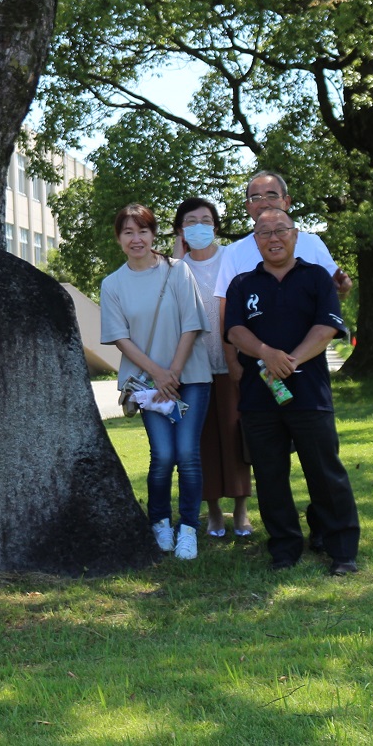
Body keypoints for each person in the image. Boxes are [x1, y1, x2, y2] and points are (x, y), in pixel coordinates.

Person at [224, 208, 359, 575]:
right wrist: (266, 353)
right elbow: (235, 331)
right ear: (256, 241)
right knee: (269, 476)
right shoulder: (242, 284)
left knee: (325, 472)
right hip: (258, 396)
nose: (273, 238)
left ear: (295, 235)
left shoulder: (317, 278)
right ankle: (284, 549)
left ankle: (342, 550)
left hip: (310, 393)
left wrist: (292, 359)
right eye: (264, 233)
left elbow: (328, 326)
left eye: (280, 230)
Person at [100, 203, 213, 560]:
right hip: (148, 386)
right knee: (163, 455)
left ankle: (189, 529)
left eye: (143, 231)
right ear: (119, 239)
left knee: (187, 454)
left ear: (154, 234)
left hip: (190, 377)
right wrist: (159, 375)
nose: (137, 239)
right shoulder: (113, 284)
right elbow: (121, 338)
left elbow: (192, 324)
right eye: (129, 232)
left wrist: (174, 372)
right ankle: (161, 523)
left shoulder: (177, 271)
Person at [211, 170, 352, 386]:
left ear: (286, 201)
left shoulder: (312, 243)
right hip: (255, 366)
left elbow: (334, 295)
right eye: (255, 198)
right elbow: (225, 312)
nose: (264, 202)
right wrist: (232, 361)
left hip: (309, 365)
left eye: (271, 195)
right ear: (248, 206)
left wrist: (343, 288)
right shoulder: (234, 252)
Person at [171, 197, 249, 540]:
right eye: (191, 221)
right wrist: (176, 256)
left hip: (234, 364)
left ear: (215, 225)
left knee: (236, 437)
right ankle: (214, 512)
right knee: (202, 442)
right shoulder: (175, 267)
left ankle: (242, 510)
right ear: (181, 230)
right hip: (194, 370)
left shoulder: (232, 258)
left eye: (206, 220)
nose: (199, 226)